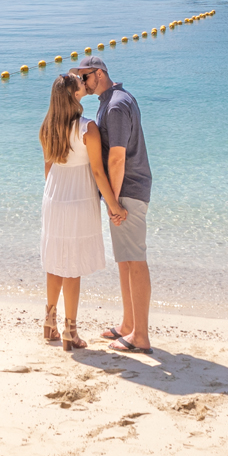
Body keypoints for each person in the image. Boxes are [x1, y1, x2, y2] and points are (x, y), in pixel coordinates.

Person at [73, 55, 154, 353]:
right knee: (125, 260)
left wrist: (113, 202)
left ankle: (141, 337)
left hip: (127, 190)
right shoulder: (112, 100)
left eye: (83, 77)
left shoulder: (117, 105)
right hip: (125, 191)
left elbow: (117, 157)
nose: (81, 83)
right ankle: (128, 325)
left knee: (135, 261)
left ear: (98, 74)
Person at [37, 72, 118, 349]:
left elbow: (48, 168)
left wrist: (53, 194)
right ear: (74, 96)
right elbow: (97, 171)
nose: (84, 84)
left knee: (55, 261)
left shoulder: (47, 128)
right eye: (79, 84)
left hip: (54, 196)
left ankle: (49, 322)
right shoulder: (87, 128)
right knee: (72, 268)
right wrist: (113, 204)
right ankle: (70, 330)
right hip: (79, 198)